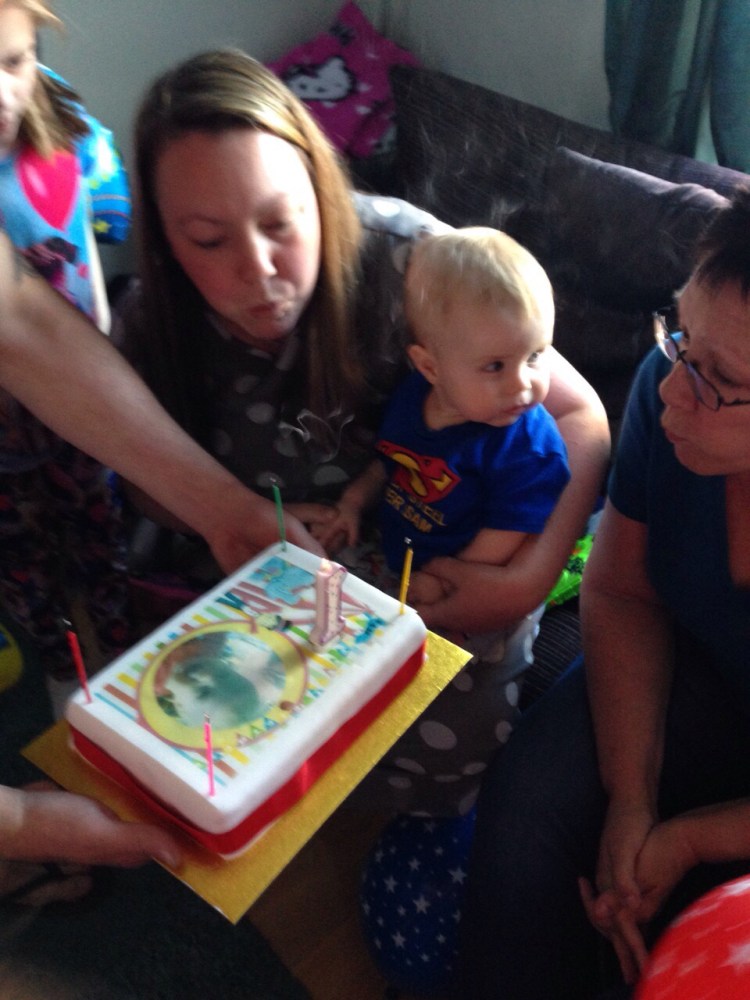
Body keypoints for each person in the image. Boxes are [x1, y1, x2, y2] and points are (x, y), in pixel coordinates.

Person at [115, 48, 609, 814]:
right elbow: (143, 482)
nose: (259, 269)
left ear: (321, 191)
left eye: (280, 222)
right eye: (209, 240)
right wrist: (237, 517)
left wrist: (526, 581)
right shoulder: (153, 321)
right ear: (165, 241)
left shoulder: (413, 261)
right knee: (218, 739)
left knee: (446, 744)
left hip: (440, 561)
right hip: (266, 566)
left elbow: (579, 416)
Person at [457, 188, 750, 998]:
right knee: (526, 819)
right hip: (699, 675)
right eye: (679, 336)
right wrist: (631, 799)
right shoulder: (670, 388)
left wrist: (690, 840)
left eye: (720, 379)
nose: (670, 390)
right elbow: (622, 592)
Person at [317, 227, 570, 608]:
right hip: (396, 558)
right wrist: (352, 503)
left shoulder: (530, 450)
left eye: (534, 356)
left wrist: (444, 580)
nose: (522, 384)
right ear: (430, 368)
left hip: (469, 587)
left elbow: (508, 532)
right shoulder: (412, 397)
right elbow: (390, 461)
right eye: (495, 366)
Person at [0, 0, 132, 683]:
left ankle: (117, 643)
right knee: (20, 559)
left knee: (99, 532)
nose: (2, 94)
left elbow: (88, 238)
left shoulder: (65, 122)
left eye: (14, 61)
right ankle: (56, 663)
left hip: (85, 398)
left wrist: (105, 342)